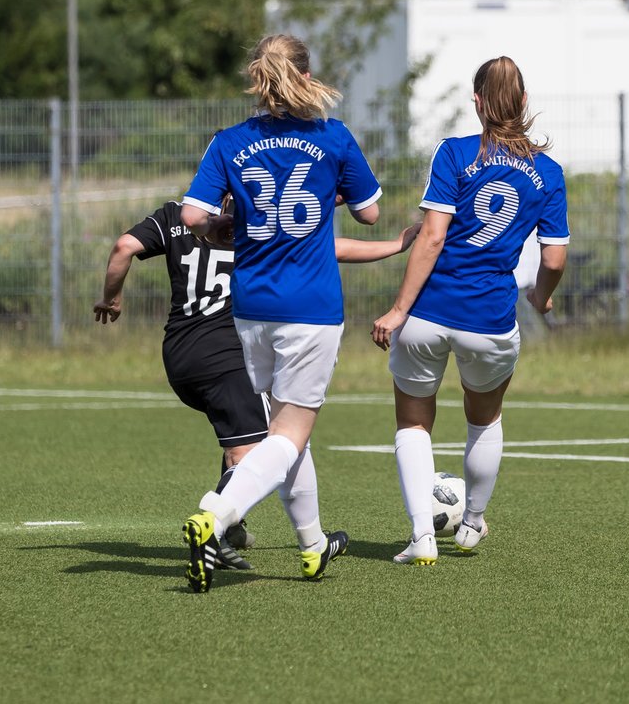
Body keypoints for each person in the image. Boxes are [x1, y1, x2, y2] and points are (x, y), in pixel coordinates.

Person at [93, 198, 420, 574]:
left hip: (179, 351)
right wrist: (396, 244)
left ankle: (240, 533)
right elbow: (331, 249)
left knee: (244, 441)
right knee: (274, 445)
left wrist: (111, 298)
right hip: (226, 355)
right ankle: (217, 526)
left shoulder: (174, 214)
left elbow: (124, 247)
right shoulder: (255, 216)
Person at [176, 33, 383, 593]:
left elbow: (194, 214)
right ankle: (216, 516)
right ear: (308, 77)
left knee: (282, 432)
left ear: (258, 78)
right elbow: (370, 212)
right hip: (311, 307)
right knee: (289, 434)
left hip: (251, 307)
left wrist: (224, 225)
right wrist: (330, 194)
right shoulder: (333, 137)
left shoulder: (230, 141)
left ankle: (313, 546)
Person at [371, 55, 568, 566]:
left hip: (429, 314)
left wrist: (397, 310)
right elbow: (555, 256)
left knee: (414, 425)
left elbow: (432, 236)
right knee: (484, 420)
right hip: (491, 319)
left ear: (477, 103)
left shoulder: (455, 153)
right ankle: (474, 521)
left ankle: (421, 537)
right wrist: (542, 297)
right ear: (524, 103)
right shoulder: (548, 173)